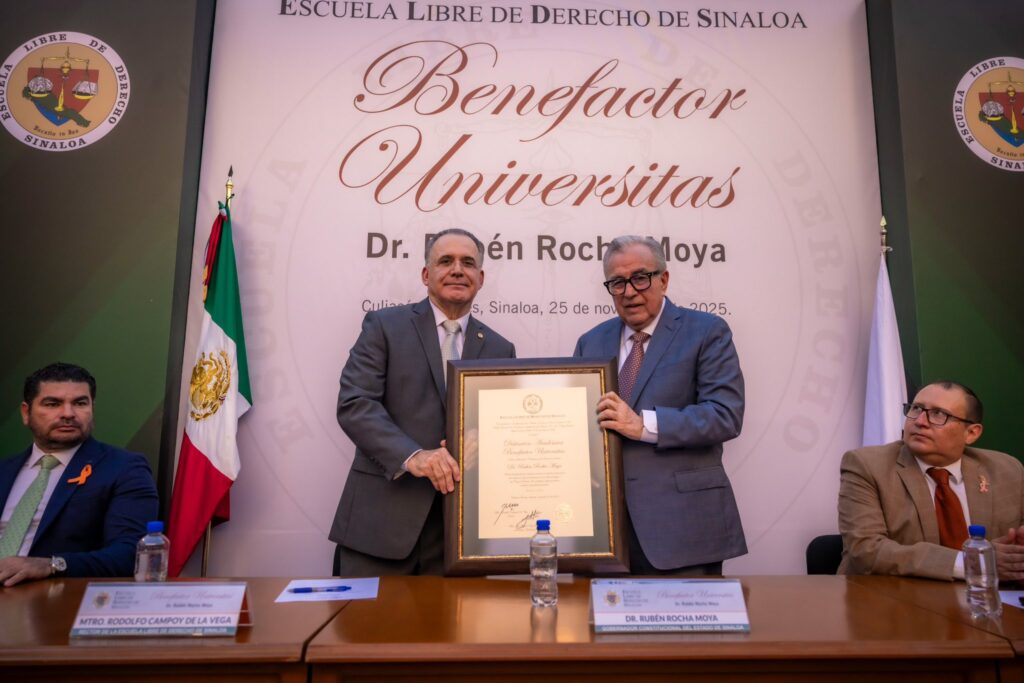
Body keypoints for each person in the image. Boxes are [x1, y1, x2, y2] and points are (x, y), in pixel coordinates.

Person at [330, 228, 516, 575]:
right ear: (426, 274)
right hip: (379, 526)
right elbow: (355, 403)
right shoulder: (384, 326)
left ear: (481, 278)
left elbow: (503, 428)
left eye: (468, 263)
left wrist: (487, 440)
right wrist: (414, 456)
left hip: (458, 535)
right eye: (446, 261)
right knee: (364, 615)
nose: (457, 270)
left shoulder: (500, 348)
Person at [574, 236, 746, 575]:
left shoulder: (707, 332)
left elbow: (725, 415)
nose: (629, 292)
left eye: (640, 278)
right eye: (617, 283)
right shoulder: (590, 342)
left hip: (682, 528)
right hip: (605, 534)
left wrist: (643, 425)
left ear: (663, 279)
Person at [838, 380, 1024, 581]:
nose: (920, 421)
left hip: (986, 595)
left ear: (971, 433)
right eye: (916, 408)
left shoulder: (1006, 470)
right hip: (891, 595)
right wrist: (973, 563)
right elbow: (866, 550)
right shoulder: (868, 465)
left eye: (938, 414)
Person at [0, 362, 159, 586]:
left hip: (52, 598)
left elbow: (130, 553)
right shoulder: (5, 471)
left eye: (80, 403)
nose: (68, 414)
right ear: (26, 413)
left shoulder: (124, 468)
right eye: (53, 404)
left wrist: (52, 565)